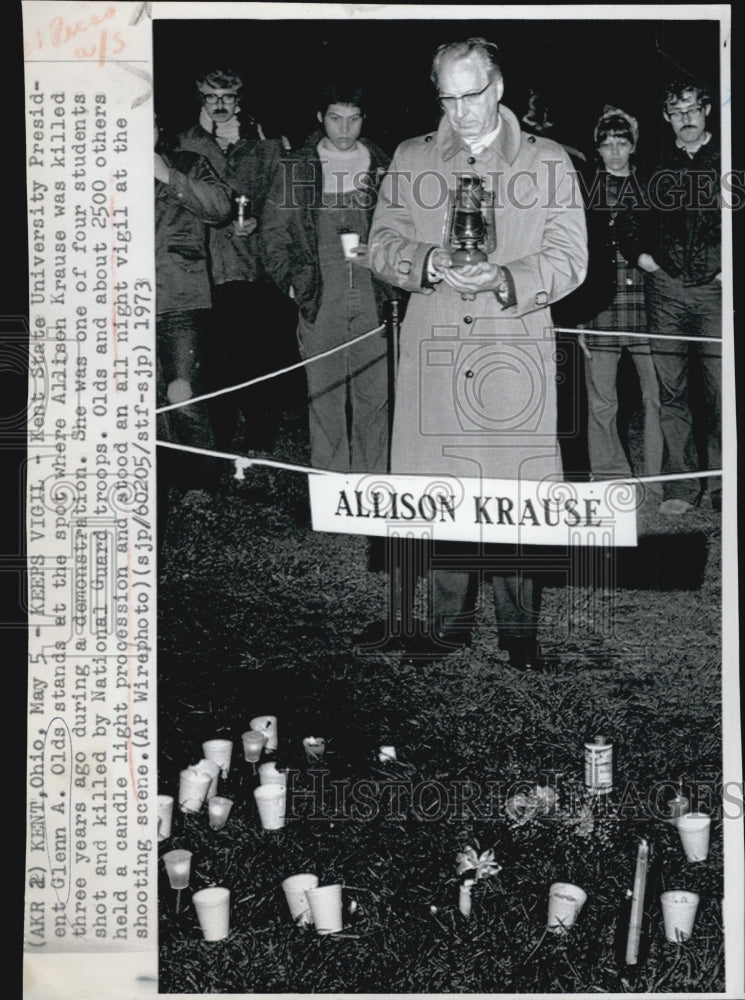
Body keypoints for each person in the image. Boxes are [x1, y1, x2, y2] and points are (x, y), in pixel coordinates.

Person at [367, 37, 587, 668]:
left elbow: (571, 260)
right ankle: (446, 625)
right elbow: (382, 244)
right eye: (448, 97)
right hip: (432, 348)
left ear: (497, 89)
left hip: (511, 350)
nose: (460, 110)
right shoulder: (410, 158)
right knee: (440, 490)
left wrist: (504, 278)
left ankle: (520, 633)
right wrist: (427, 261)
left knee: (514, 494)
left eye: (472, 95)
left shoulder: (549, 164)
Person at [261, 82, 400, 473]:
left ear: (364, 121)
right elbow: (273, 233)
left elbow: (404, 228)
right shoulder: (297, 167)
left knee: (375, 398)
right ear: (320, 118)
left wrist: (388, 265)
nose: (344, 129)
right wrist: (293, 284)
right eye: (336, 119)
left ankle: (372, 485)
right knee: (325, 398)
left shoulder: (383, 166)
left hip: (373, 297)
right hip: (322, 299)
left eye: (354, 120)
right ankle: (330, 486)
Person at [178, 67, 300, 457]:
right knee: (213, 362)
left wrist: (260, 223)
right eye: (211, 97)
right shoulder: (183, 142)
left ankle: (260, 440)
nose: (219, 104)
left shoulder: (265, 144)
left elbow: (282, 202)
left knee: (261, 356)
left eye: (227, 97)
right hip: (205, 269)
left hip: (255, 269)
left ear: (239, 100)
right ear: (200, 98)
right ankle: (220, 445)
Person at [624, 80, 722, 514]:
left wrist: (728, 267)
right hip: (665, 292)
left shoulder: (729, 160)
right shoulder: (652, 166)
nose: (686, 117)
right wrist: (645, 259)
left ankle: (722, 482)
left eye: (692, 108)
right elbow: (628, 223)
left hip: (716, 292)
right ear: (666, 118)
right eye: (676, 111)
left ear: (706, 111)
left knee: (722, 391)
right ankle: (681, 486)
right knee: (672, 392)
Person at [571, 107, 663, 494]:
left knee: (658, 398)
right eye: (606, 145)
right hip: (601, 308)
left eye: (621, 143)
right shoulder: (585, 192)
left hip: (648, 305)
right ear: (598, 148)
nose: (614, 152)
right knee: (602, 402)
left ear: (633, 145)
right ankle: (611, 478)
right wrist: (576, 318)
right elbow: (576, 253)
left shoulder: (652, 186)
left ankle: (661, 480)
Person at [154, 116, 232, 520]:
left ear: (156, 129)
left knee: (182, 397)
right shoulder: (99, 166)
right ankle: (161, 481)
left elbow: (220, 208)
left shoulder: (188, 163)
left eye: (145, 125)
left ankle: (201, 483)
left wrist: (168, 176)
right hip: (119, 303)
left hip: (180, 301)